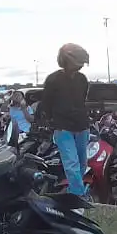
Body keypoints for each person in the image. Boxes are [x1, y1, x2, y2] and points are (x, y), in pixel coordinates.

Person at [37, 44, 92, 196]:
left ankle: (74, 192)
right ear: (67, 60)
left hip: (82, 125)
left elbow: (82, 100)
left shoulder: (82, 79)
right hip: (62, 127)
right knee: (71, 164)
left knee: (82, 163)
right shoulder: (53, 79)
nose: (81, 65)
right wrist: (50, 122)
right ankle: (78, 197)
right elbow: (46, 104)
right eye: (79, 61)